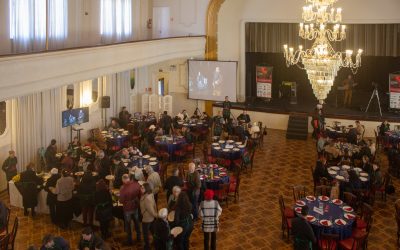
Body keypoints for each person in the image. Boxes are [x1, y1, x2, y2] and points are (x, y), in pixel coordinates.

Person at [119, 174, 141, 245]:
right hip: (135, 206)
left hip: (127, 208)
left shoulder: (122, 188)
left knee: (128, 225)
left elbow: (121, 201)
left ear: (123, 180)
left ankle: (130, 240)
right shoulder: (136, 184)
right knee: (137, 222)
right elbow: (140, 194)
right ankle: (139, 237)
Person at [140, 183, 158, 250]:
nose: (141, 189)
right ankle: (155, 242)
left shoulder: (147, 198)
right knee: (153, 231)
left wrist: (157, 215)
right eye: (141, 188)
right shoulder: (150, 194)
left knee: (145, 234)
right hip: (151, 218)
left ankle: (147, 246)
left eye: (142, 188)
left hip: (147, 218)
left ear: (146, 189)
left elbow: (151, 210)